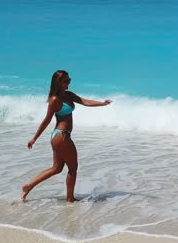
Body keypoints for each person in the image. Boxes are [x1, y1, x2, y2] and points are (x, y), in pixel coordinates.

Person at [22, 70, 112, 202]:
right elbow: (47, 120)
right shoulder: (54, 100)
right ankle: (70, 199)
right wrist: (34, 138)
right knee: (73, 168)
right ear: (58, 83)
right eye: (66, 81)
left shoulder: (69, 95)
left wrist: (102, 103)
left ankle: (28, 187)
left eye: (69, 80)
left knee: (57, 168)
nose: (69, 82)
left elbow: (84, 101)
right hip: (62, 136)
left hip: (59, 136)